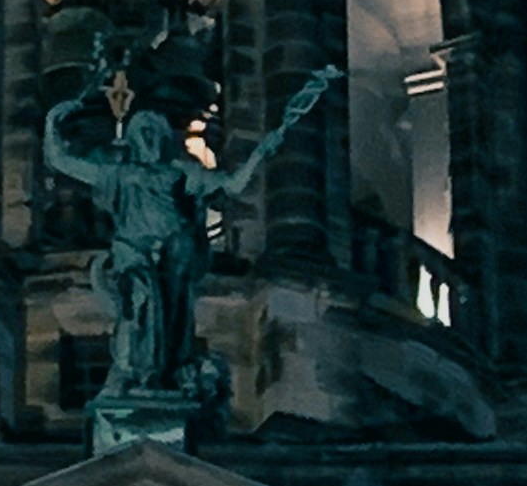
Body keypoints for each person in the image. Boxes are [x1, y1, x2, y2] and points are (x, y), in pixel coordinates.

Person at [41, 65, 338, 399]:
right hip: (134, 253)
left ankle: (165, 376)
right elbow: (60, 159)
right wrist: (53, 119)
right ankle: (136, 374)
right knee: (139, 306)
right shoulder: (118, 172)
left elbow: (232, 184)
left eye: (155, 133)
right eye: (143, 133)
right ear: (135, 138)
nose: (150, 139)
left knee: (173, 320)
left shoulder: (181, 172)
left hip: (174, 255)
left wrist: (258, 155)